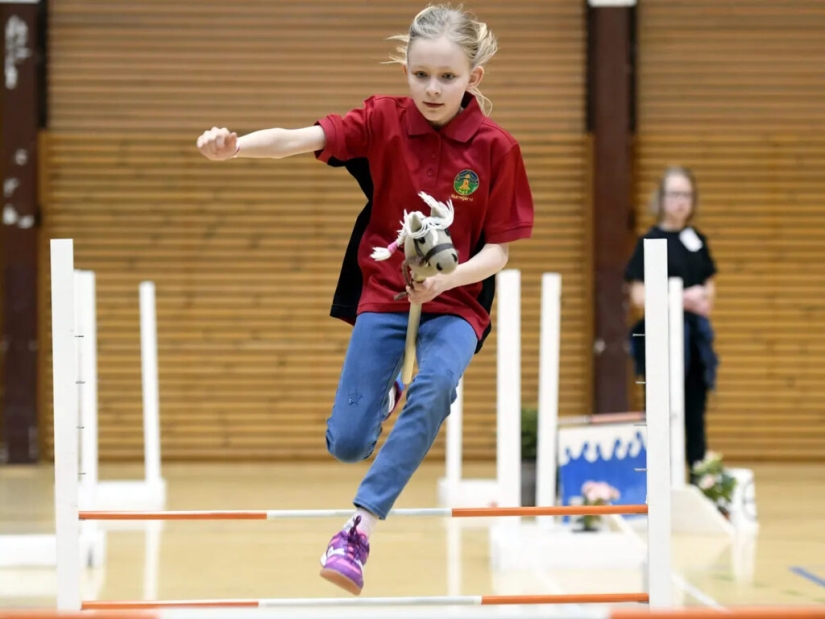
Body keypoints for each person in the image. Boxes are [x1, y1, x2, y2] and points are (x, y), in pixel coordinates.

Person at [196, 4, 534, 596]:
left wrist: (445, 283)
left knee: (438, 381)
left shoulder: (496, 148)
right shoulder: (381, 120)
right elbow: (299, 138)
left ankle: (358, 528)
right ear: (405, 68)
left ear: (473, 78)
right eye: (420, 74)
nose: (432, 88)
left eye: (447, 77)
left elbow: (498, 254)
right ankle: (388, 399)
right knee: (349, 443)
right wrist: (235, 147)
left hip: (457, 305)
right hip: (383, 296)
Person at [624, 166, 719, 476]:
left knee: (695, 407)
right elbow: (639, 296)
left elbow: (709, 289)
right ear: (661, 198)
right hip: (661, 337)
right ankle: (659, 475)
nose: (681, 201)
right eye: (675, 194)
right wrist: (678, 298)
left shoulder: (697, 240)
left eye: (687, 195)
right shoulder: (649, 241)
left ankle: (698, 473)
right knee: (661, 405)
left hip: (694, 337)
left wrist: (700, 298)